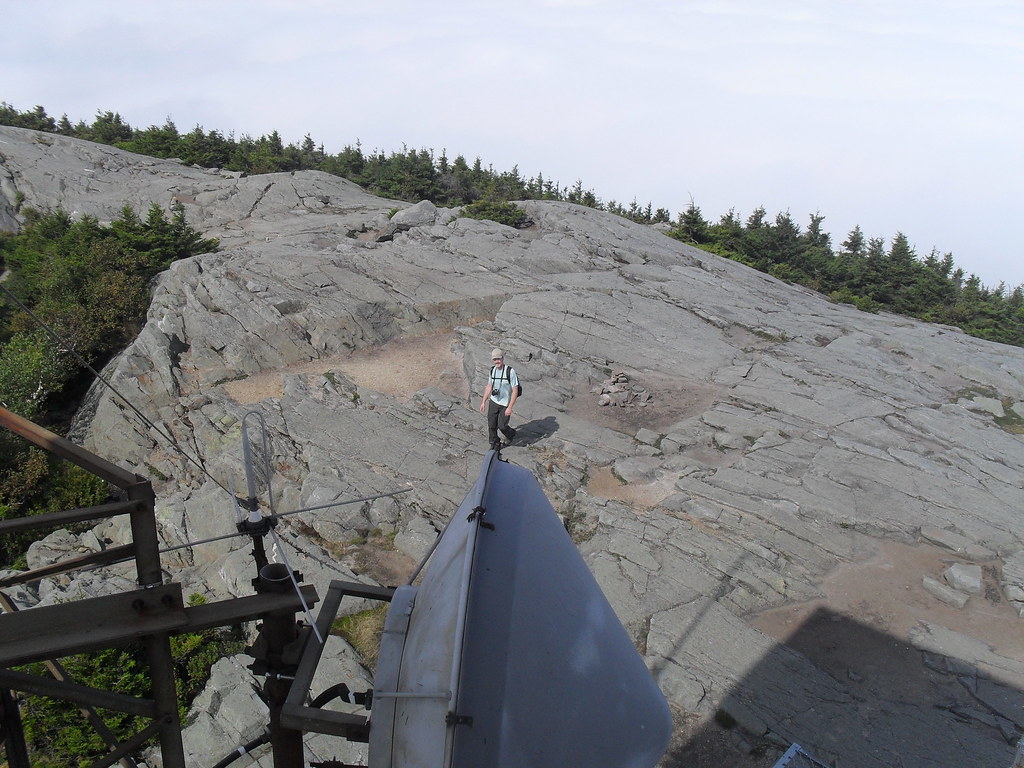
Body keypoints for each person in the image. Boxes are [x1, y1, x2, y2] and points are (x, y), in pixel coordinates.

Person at [479, 347, 519, 452]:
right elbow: (489, 386)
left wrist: (510, 407)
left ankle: (511, 433)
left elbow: (515, 391)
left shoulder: (510, 371)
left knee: (502, 426)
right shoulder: (492, 370)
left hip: (505, 404)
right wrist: (483, 401)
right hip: (494, 401)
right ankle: (494, 443)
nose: (497, 361)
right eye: (494, 359)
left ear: (502, 359)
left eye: (498, 359)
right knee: (491, 424)